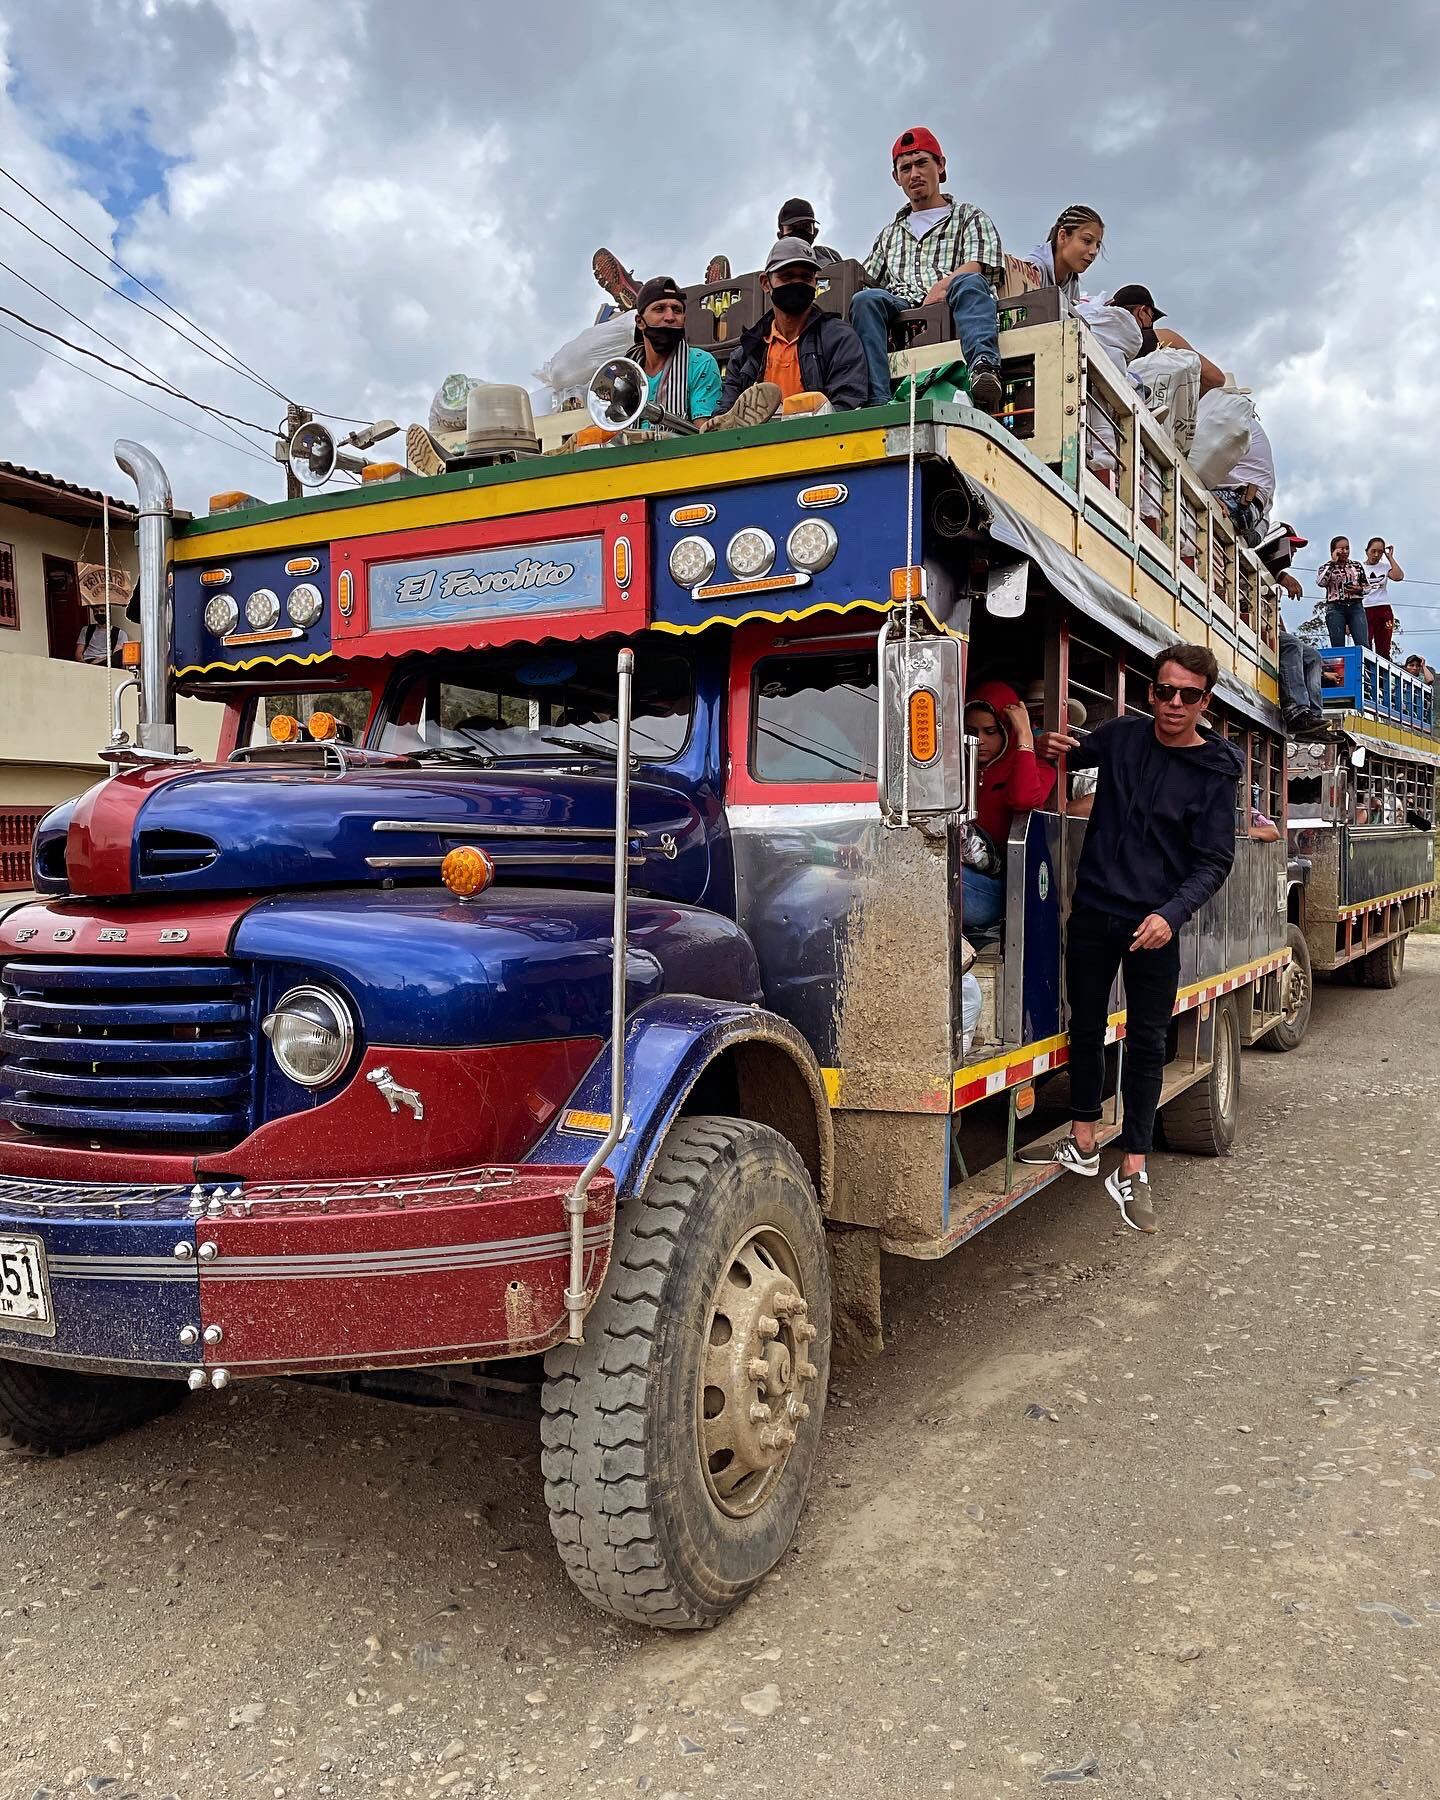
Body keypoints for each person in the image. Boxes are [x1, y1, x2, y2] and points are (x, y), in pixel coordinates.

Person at [1022, 643, 1243, 1233]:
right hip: (1094, 909)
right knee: (1086, 1026)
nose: (1174, 704)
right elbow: (1071, 748)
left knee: (1147, 1042)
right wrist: (1050, 742)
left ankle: (1134, 1168)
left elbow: (1215, 860)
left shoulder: (1218, 770)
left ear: (1205, 701)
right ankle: (1084, 1140)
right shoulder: (1123, 737)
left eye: (1188, 696)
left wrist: (1172, 914)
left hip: (1155, 924)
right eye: (1164, 691)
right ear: (1152, 693)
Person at [850, 126, 1005, 414]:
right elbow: (867, 280)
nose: (914, 174)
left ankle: (983, 367)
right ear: (897, 178)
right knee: (865, 300)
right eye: (905, 168)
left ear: (941, 166)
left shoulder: (969, 216)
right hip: (904, 310)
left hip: (952, 306)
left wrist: (943, 286)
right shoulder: (889, 234)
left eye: (922, 163)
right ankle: (876, 400)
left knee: (970, 282)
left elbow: (977, 263)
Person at [716, 238, 868, 415]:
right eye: (787, 276)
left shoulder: (840, 339)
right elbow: (726, 413)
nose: (797, 283)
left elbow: (848, 405)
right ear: (766, 283)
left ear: (815, 283)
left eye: (806, 277)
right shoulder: (746, 354)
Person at [961, 680, 1057, 931]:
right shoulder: (954, 769)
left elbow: (1024, 799)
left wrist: (1024, 735)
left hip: (1001, 890)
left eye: (990, 732)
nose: (979, 740)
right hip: (955, 870)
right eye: (971, 732)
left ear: (1007, 730)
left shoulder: (1038, 767)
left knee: (939, 881)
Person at [1025, 205, 1105, 315]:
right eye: (1087, 241)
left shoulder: (1072, 283)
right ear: (1062, 236)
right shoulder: (1033, 269)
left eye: (1097, 245)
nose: (1093, 251)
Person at [1213, 409, 1275, 542]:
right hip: (1253, 516)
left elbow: (1197, 464)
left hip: (1237, 502)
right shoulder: (1255, 432)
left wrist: (1208, 497)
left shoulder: (1235, 422)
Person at [1317, 535, 1370, 648]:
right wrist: (1332, 563)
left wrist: (1359, 589)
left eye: (1347, 548)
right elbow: (1321, 582)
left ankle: (1364, 665)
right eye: (1341, 549)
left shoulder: (1356, 566)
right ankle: (1340, 665)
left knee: (1363, 644)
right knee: (1338, 646)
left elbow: (1367, 587)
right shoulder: (1326, 567)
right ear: (1333, 551)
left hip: (1356, 607)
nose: (1345, 552)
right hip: (1335, 608)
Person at [776, 198, 841, 264]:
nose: (800, 232)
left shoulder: (829, 255)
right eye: (792, 227)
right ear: (780, 235)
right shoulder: (774, 266)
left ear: (815, 232)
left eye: (806, 227)